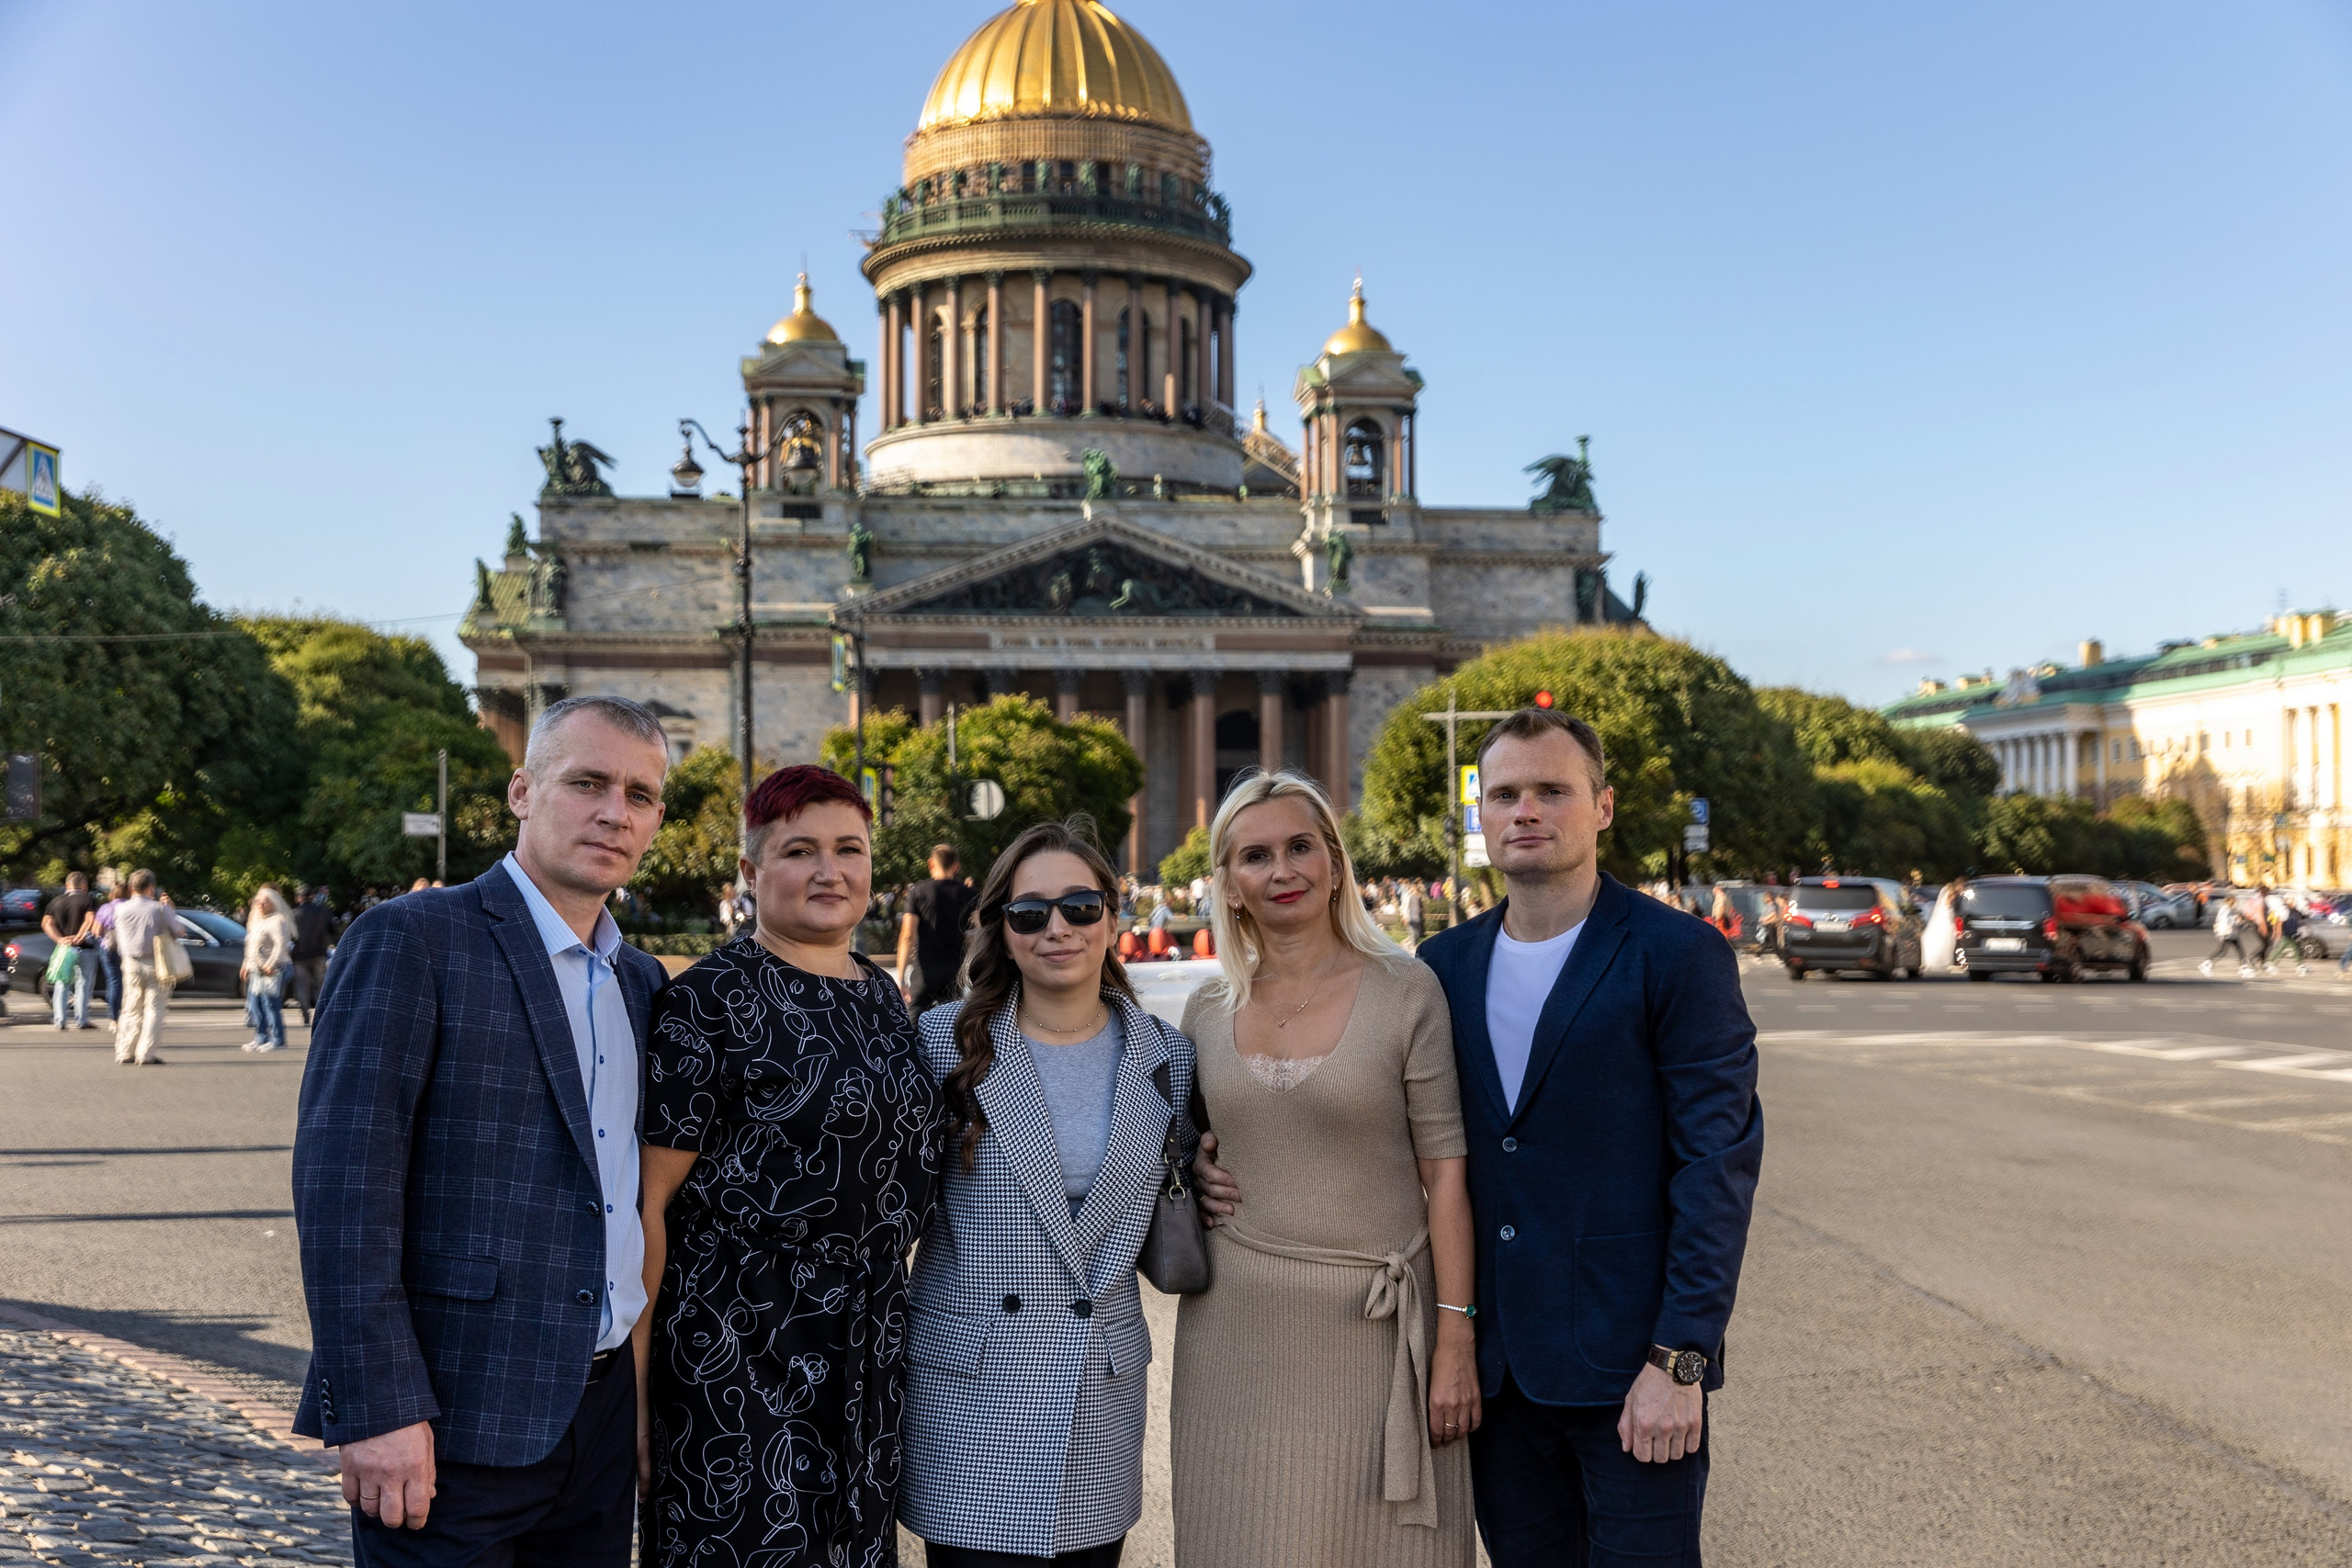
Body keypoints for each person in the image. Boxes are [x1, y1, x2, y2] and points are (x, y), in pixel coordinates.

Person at [1206, 709, 1764, 1565]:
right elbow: (1390, 1136)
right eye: (1504, 794)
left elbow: (1715, 1167)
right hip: (1494, 1382)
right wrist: (1212, 1164)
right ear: (1482, 816)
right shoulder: (1445, 964)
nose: (1525, 811)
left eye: (1551, 791)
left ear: (1603, 806)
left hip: (1630, 1371)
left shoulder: (1676, 954)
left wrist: (1679, 1358)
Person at [290, 694, 672, 1565]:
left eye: (640, 794)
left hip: (600, 1424)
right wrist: (378, 1404)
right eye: (587, 782)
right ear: (522, 790)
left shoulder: (642, 981)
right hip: (450, 1420)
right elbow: (344, 1190)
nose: (615, 811)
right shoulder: (412, 939)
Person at [636, 765, 942, 1568]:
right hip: (734, 1355)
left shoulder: (880, 994)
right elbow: (647, 1211)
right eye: (800, 849)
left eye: (850, 848)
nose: (829, 870)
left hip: (867, 1352)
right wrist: (631, 1396)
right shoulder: (706, 1001)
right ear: (751, 872)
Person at [1171, 771, 1478, 1567]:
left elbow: (1446, 1176)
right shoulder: (1206, 1009)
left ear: (1336, 864)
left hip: (1376, 1337)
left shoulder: (1408, 990)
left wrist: (1454, 1341)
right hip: (1235, 1339)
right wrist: (1199, 1165)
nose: (1283, 871)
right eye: (1256, 855)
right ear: (1229, 884)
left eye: (1302, 846)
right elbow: (1187, 1143)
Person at [899, 819, 1198, 1567]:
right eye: (1030, 912)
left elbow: (1185, 1186)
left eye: (1080, 906)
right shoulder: (941, 1044)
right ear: (999, 927)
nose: (1056, 927)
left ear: (1111, 916)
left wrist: (1211, 1180)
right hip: (971, 1397)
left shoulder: (1170, 1056)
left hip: (1097, 1397)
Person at [111, 871, 189, 1066]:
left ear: (131, 888)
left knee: (130, 1007)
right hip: (156, 962)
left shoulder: (121, 909)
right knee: (154, 1009)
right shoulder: (159, 909)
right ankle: (145, 1054)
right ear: (151, 888)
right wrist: (170, 909)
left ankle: (125, 1051)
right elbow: (179, 931)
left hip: (130, 961)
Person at [899, 842, 976, 1013]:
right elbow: (983, 931)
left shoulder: (917, 893)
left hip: (924, 973)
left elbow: (907, 936)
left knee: (913, 1024)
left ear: (931, 863)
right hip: (955, 973)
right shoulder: (969, 894)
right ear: (956, 867)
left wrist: (901, 978)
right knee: (950, 1025)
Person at [241, 886, 298, 1053]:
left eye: (265, 901)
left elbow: (281, 944)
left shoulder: (277, 920)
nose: (260, 904)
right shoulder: (258, 921)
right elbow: (251, 946)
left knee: (270, 1005)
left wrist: (271, 964)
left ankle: (278, 1040)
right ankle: (261, 1037)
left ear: (274, 903)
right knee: (255, 1005)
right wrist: (246, 964)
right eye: (258, 901)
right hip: (258, 970)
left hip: (275, 968)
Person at [42, 873, 98, 1031]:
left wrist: (60, 939)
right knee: (84, 984)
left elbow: (47, 923)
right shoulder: (89, 900)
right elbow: (90, 918)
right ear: (84, 886)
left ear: (67, 886)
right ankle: (82, 1020)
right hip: (85, 949)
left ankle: (60, 1020)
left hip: (64, 950)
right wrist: (80, 936)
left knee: (62, 983)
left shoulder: (56, 901)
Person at [290, 886, 334, 1027]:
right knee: (321, 984)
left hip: (299, 955)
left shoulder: (294, 914)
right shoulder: (323, 911)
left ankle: (305, 1014)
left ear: (299, 898)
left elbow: (290, 935)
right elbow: (333, 929)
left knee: (302, 986)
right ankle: (322, 1014)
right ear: (313, 897)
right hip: (319, 953)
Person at [2201, 894, 2255, 977]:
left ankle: (2243, 967)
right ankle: (2207, 963)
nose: (2235, 903)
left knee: (2236, 950)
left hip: (2232, 934)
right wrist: (2236, 919)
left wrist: (2237, 920)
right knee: (2223, 950)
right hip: (2227, 933)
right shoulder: (2225, 909)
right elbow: (2224, 921)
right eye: (2233, 901)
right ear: (2229, 901)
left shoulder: (2229, 909)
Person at [1921, 877, 1963, 973]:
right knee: (1946, 938)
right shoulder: (1951, 894)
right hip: (1946, 916)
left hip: (1945, 916)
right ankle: (1943, 960)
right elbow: (1948, 905)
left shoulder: (1947, 891)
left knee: (1946, 938)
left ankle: (1942, 960)